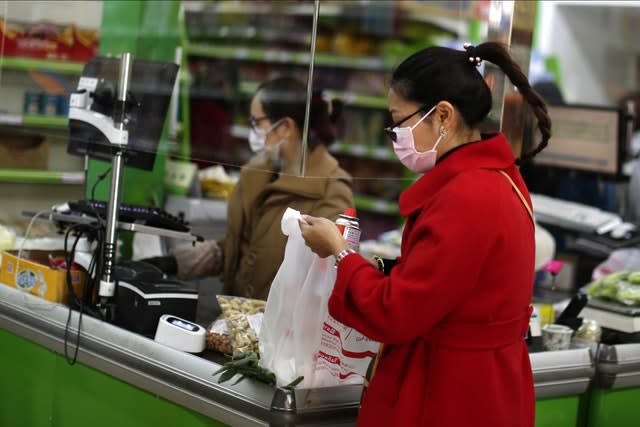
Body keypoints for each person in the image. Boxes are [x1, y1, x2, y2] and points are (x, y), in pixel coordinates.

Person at [299, 42, 551, 427]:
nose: (395, 134)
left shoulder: (466, 197)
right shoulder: (502, 179)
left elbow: (396, 311)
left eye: (399, 122)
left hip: (448, 390)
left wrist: (340, 254)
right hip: (493, 384)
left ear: (443, 115)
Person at [148, 76, 353, 300]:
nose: (252, 130)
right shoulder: (257, 174)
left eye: (257, 122)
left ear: (285, 126)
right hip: (239, 323)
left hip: (283, 328)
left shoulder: (331, 190)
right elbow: (238, 247)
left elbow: (329, 271)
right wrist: (173, 262)